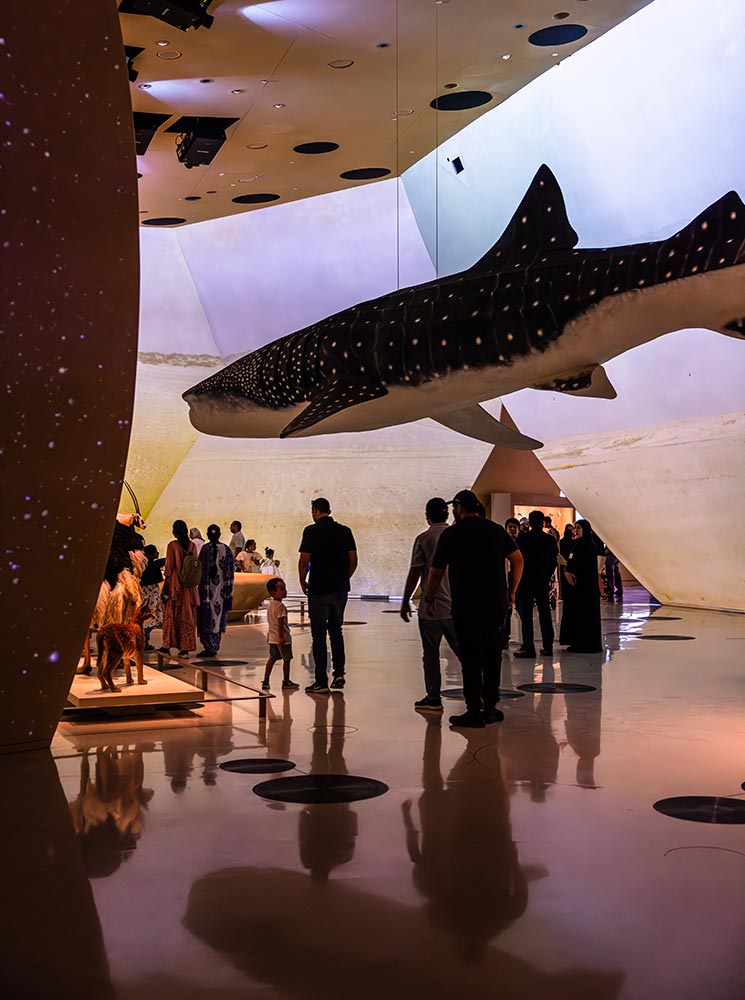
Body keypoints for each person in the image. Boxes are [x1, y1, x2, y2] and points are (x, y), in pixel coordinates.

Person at [424, 489, 523, 728]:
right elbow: (518, 559)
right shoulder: (496, 530)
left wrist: (429, 598)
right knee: (492, 655)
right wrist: (511, 591)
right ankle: (490, 707)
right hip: (496, 605)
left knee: (470, 658)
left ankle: (473, 711)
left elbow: (436, 571)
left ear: (459, 508)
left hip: (466, 605)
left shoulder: (452, 534)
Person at [400, 497, 460, 713]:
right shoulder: (457, 536)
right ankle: (479, 692)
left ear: (427, 516)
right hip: (457, 607)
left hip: (431, 607)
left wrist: (406, 599)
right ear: (447, 514)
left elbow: (415, 572)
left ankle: (433, 697)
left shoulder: (424, 539)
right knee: (464, 653)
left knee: (431, 653)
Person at [299, 497, 357, 694]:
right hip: (340, 588)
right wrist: (343, 578)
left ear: (316, 510)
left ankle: (321, 681)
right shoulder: (345, 531)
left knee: (318, 635)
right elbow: (353, 559)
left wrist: (302, 580)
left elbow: (304, 559)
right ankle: (339, 673)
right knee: (336, 630)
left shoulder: (311, 531)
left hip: (318, 588)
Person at [514, 510, 558, 659]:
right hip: (541, 581)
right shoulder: (549, 540)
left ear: (530, 523)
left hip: (525, 581)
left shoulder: (523, 539)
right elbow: (553, 561)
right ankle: (548, 646)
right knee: (544, 613)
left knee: (526, 615)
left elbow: (518, 560)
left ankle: (529, 647)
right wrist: (547, 575)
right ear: (542, 522)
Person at [559, 519, 603, 653]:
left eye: (578, 528)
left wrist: (566, 564)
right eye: (575, 528)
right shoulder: (578, 545)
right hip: (577, 589)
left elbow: (584, 566)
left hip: (585, 590)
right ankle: (576, 641)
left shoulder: (589, 546)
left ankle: (585, 644)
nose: (575, 530)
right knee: (576, 614)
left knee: (584, 616)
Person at [160, 519, 200, 659]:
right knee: (187, 615)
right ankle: (185, 649)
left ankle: (167, 645)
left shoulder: (172, 546)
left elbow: (169, 569)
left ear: (174, 532)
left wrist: (166, 587)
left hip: (176, 586)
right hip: (189, 587)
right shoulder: (192, 546)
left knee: (171, 614)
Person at [196, 524, 235, 658]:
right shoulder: (227, 550)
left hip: (207, 592)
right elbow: (230, 572)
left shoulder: (205, 549)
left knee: (207, 618)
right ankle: (214, 646)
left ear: (207, 535)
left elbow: (199, 571)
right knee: (218, 618)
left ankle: (209, 646)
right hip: (222, 592)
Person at [262, 577, 299, 690]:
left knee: (272, 659)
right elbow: (280, 623)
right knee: (286, 660)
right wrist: (281, 637)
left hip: (272, 638)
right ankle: (286, 681)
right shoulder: (281, 606)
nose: (285, 591)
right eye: (282, 589)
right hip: (282, 639)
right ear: (273, 593)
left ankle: (266, 680)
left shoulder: (271, 605)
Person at [141, 544, 165, 651]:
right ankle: (144, 640)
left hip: (143, 591)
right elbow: (165, 560)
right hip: (152, 592)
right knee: (151, 616)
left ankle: (145, 641)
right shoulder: (155, 565)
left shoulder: (142, 566)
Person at [503, 518, 521, 650]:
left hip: (518, 580)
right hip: (505, 580)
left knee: (521, 611)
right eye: (510, 527)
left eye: (515, 527)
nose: (513, 529)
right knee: (506, 612)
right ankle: (504, 638)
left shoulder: (521, 543)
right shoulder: (501, 543)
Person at [558, 524, 575, 601]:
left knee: (563, 579)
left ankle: (563, 595)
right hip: (571, 563)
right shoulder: (574, 542)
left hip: (562, 562)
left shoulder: (561, 542)